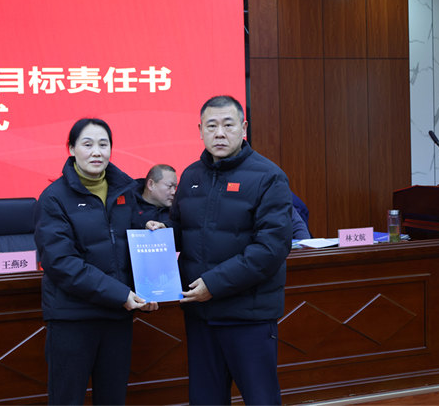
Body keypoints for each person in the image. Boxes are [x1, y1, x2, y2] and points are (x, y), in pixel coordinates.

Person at [171, 95, 292, 405]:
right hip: (201, 316)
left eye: (228, 125)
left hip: (248, 316)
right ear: (200, 130)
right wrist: (158, 233)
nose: (220, 133)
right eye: (211, 126)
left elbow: (271, 248)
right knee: (205, 400)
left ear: (244, 127)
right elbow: (180, 233)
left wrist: (214, 284)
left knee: (260, 399)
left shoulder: (269, 177)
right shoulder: (190, 176)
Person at [34, 118, 159, 405]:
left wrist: (148, 232)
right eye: (87, 144)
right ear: (71, 149)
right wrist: (121, 294)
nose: (96, 152)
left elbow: (129, 244)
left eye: (103, 144)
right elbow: (61, 263)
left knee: (113, 398)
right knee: (67, 399)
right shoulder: (53, 199)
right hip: (73, 318)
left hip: (117, 316)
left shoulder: (125, 191)